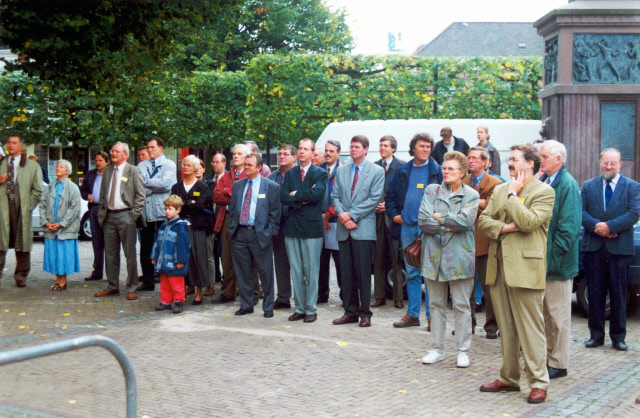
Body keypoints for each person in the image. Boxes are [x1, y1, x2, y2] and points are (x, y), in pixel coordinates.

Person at [478, 143, 554, 404]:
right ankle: (509, 378)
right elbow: (483, 223)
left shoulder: (544, 191)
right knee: (507, 330)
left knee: (532, 330)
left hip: (526, 269)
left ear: (530, 163)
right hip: (498, 270)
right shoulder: (499, 189)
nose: (509, 164)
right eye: (509, 159)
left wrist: (512, 195)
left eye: (514, 159)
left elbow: (529, 222)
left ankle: (538, 382)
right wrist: (506, 228)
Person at [418, 151, 479, 367]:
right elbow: (424, 221)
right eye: (444, 168)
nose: (446, 171)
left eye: (451, 168)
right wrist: (448, 224)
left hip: (460, 257)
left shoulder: (471, 195)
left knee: (462, 306)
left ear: (462, 173)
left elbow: (465, 222)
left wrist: (440, 218)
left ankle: (463, 351)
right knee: (435, 305)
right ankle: (436, 349)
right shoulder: (431, 191)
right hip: (433, 257)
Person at [581, 148, 640, 352]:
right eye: (605, 163)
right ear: (600, 163)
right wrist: (599, 227)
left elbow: (634, 213)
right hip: (594, 248)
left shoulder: (632, 187)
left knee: (618, 294)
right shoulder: (588, 186)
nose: (608, 167)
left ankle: (618, 337)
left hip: (620, 250)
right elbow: (581, 212)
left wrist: (610, 227)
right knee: (595, 293)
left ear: (620, 164)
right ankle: (595, 336)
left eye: (613, 163)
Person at [386, 133, 442, 330]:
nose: (426, 150)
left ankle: (431, 317)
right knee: (411, 272)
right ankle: (412, 315)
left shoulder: (438, 171)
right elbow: (390, 196)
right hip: (407, 228)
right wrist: (394, 216)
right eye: (422, 146)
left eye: (428, 146)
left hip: (430, 229)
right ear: (413, 149)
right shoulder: (402, 171)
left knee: (430, 274)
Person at [331, 135, 384, 327]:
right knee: (346, 273)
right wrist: (342, 215)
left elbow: (374, 198)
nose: (353, 149)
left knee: (362, 273)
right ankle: (350, 311)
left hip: (363, 228)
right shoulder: (342, 170)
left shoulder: (376, 171)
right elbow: (334, 196)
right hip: (344, 230)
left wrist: (350, 215)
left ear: (366, 149)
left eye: (357, 147)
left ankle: (365, 313)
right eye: (351, 146)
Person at [538, 140, 581, 378]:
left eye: (544, 157)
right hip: (544, 263)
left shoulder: (567, 184)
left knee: (559, 317)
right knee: (545, 315)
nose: (541, 160)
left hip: (558, 265)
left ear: (558, 159)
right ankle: (547, 358)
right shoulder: (545, 181)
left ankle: (559, 363)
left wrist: (552, 260)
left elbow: (569, 229)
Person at [280, 138, 327, 323]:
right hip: (292, 227)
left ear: (313, 153)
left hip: (312, 228)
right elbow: (283, 196)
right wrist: (303, 197)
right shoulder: (290, 174)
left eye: (305, 149)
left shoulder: (319, 173)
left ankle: (311, 309)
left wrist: (296, 194)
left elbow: (317, 195)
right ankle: (299, 308)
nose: (301, 152)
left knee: (311, 270)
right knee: (297, 270)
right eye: (299, 148)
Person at [229, 154, 281, 317]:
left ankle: (268, 307)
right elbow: (232, 211)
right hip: (240, 233)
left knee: (265, 272)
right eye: (245, 164)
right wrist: (233, 230)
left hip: (260, 235)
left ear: (259, 168)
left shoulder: (271, 186)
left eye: (249, 165)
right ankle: (246, 304)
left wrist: (268, 233)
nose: (246, 167)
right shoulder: (238, 186)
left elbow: (275, 214)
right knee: (243, 271)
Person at [95, 142, 146, 301]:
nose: (113, 153)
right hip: (109, 217)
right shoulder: (108, 170)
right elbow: (103, 195)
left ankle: (132, 287)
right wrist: (102, 213)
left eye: (117, 151)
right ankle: (112, 286)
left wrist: (134, 216)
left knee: (130, 254)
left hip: (126, 216)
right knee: (110, 254)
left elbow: (141, 195)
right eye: (112, 151)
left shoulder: (133, 170)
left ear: (125, 154)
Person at [213, 144, 261, 303]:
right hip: (227, 218)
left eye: (239, 153)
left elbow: (247, 196)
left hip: (245, 219)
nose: (236, 156)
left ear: (247, 157)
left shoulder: (249, 174)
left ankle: (253, 293)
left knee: (249, 257)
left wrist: (228, 192)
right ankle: (228, 292)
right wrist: (230, 193)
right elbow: (217, 197)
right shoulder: (227, 175)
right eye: (234, 153)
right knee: (226, 257)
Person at [463, 147, 502, 339]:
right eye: (469, 158)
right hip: (464, 241)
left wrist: (472, 200)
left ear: (486, 162)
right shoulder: (463, 180)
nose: (471, 161)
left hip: (485, 241)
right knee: (465, 287)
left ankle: (492, 326)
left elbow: (492, 207)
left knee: (489, 287)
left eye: (475, 158)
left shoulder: (495, 183)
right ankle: (467, 323)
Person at [0, 133, 43, 288]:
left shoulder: (32, 166)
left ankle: (21, 275)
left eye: (14, 142)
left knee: (23, 242)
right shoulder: (1, 163)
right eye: (9, 142)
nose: (10, 145)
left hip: (22, 208)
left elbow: (38, 190)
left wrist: (28, 206)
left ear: (21, 146)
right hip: (3, 207)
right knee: (0, 241)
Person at [137, 137, 177, 292]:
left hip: (161, 213)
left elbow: (167, 184)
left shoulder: (169, 165)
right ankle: (147, 282)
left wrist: (147, 182)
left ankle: (166, 281)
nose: (150, 150)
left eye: (153, 147)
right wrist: (154, 185)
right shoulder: (141, 165)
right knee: (145, 250)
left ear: (161, 148)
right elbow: (139, 186)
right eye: (148, 147)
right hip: (146, 214)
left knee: (164, 249)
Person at [171, 155, 211, 305]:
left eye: (189, 165)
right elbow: (173, 205)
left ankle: (199, 291)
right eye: (184, 165)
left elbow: (201, 205)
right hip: (180, 226)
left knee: (198, 257)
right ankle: (185, 288)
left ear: (195, 168)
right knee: (182, 257)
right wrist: (190, 202)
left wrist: (184, 203)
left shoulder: (202, 186)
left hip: (197, 226)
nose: (185, 167)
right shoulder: (176, 187)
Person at [372, 135, 405, 308]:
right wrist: (374, 206)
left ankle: (398, 297)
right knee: (377, 259)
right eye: (381, 145)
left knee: (396, 259)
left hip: (394, 220)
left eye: (386, 146)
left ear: (393, 148)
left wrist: (390, 207)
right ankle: (379, 296)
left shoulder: (401, 167)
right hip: (376, 219)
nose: (382, 148)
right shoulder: (374, 166)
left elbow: (404, 194)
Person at [40, 159, 82, 291]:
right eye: (57, 166)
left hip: (66, 229)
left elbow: (74, 209)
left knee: (64, 255)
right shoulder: (50, 187)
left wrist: (61, 224)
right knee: (55, 255)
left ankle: (63, 281)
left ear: (68, 171)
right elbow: (42, 205)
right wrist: (46, 222)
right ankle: (57, 280)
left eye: (61, 167)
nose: (58, 168)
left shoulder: (73, 187)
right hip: (51, 228)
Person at [151, 195, 191, 314]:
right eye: (166, 208)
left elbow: (183, 245)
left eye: (170, 209)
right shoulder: (163, 226)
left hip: (175, 263)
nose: (167, 211)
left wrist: (181, 260)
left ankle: (178, 301)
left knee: (176, 284)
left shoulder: (180, 227)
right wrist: (154, 256)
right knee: (164, 284)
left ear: (178, 210)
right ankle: (165, 302)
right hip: (163, 262)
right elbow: (156, 243)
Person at [269, 145, 297, 309]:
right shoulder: (272, 177)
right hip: (278, 225)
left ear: (294, 157)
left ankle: (303, 298)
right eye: (280, 154)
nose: (281, 157)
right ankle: (283, 297)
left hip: (296, 224)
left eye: (286, 154)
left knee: (299, 263)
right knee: (280, 263)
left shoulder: (300, 176)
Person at [79, 151, 110, 282]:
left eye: (100, 160)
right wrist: (87, 196)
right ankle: (97, 271)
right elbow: (83, 190)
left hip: (109, 210)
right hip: (94, 208)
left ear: (107, 162)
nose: (97, 163)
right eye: (96, 160)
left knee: (109, 242)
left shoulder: (112, 174)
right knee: (96, 241)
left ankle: (111, 274)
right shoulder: (90, 174)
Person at [318, 140, 342, 304]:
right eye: (326, 151)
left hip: (337, 222)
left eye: (331, 151)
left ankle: (345, 295)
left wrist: (328, 214)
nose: (328, 154)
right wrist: (320, 216)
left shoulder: (343, 171)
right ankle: (321, 295)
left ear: (338, 153)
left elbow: (343, 197)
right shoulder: (317, 171)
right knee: (320, 262)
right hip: (318, 222)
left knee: (341, 263)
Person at [203, 153, 226, 294]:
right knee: (211, 251)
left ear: (224, 163)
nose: (214, 164)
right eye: (213, 162)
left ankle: (225, 279)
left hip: (222, 217)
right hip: (210, 219)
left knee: (222, 250)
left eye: (217, 162)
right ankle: (214, 277)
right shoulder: (207, 180)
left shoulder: (228, 179)